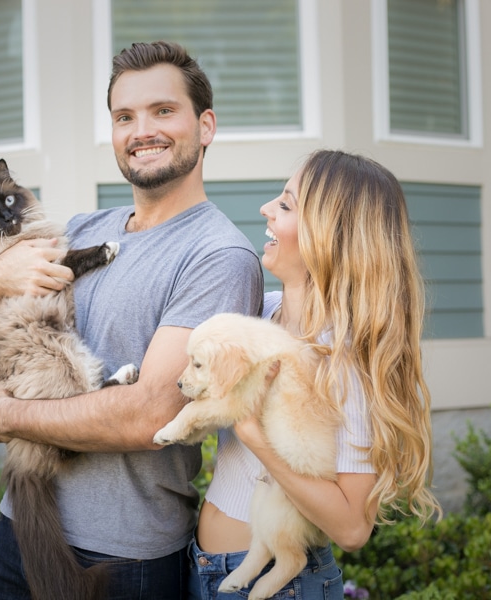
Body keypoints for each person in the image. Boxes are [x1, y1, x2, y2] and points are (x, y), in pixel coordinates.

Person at [0, 41, 264, 600]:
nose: (141, 130)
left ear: (205, 126)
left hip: (124, 556)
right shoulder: (82, 230)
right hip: (22, 526)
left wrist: (10, 415)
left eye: (163, 111)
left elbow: (151, 413)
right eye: (124, 116)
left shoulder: (217, 256)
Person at [188, 149, 442, 599]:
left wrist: (255, 438)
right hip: (204, 570)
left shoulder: (344, 363)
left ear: (329, 238)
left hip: (283, 585)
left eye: (285, 205)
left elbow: (351, 528)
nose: (266, 209)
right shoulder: (259, 314)